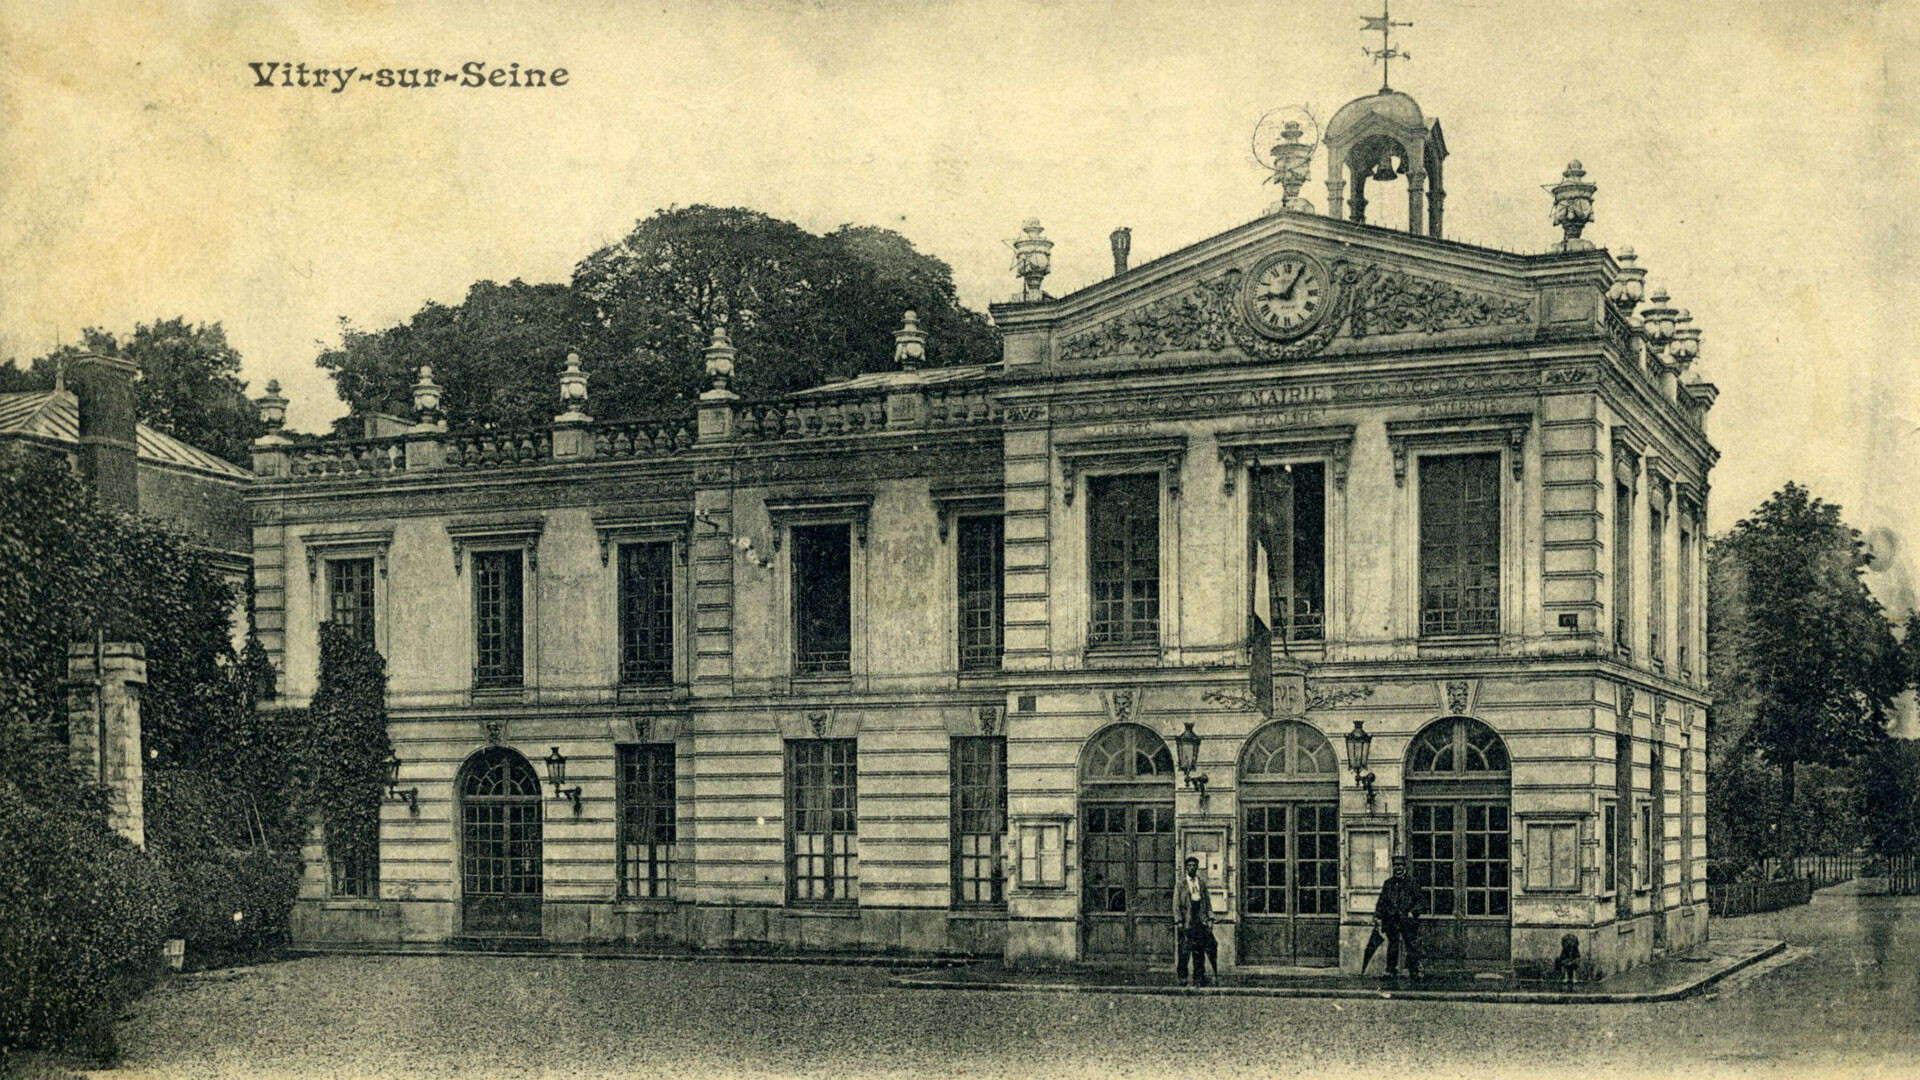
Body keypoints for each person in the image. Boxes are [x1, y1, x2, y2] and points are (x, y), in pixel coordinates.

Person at [1374, 855, 1422, 979]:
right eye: (1396, 865)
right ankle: (1391, 971)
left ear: (1405, 867)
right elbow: (1382, 901)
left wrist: (1413, 912)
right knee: (1393, 945)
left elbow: (1421, 902)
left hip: (1407, 919)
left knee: (1410, 945)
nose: (1398, 868)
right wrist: (1377, 915)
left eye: (1400, 865)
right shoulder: (1388, 883)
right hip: (1391, 919)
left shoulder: (1412, 883)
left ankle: (1414, 971)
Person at [1174, 856, 1216, 986]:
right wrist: (1179, 921)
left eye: (1194, 865)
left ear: (1197, 868)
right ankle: (1182, 977)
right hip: (1187, 921)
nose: (1192, 868)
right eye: (1189, 865)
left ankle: (1199, 977)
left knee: (1199, 950)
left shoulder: (1201, 884)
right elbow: (1176, 904)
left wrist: (1210, 919)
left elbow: (1207, 902)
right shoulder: (1180, 885)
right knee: (1184, 951)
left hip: (1200, 920)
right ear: (1186, 868)